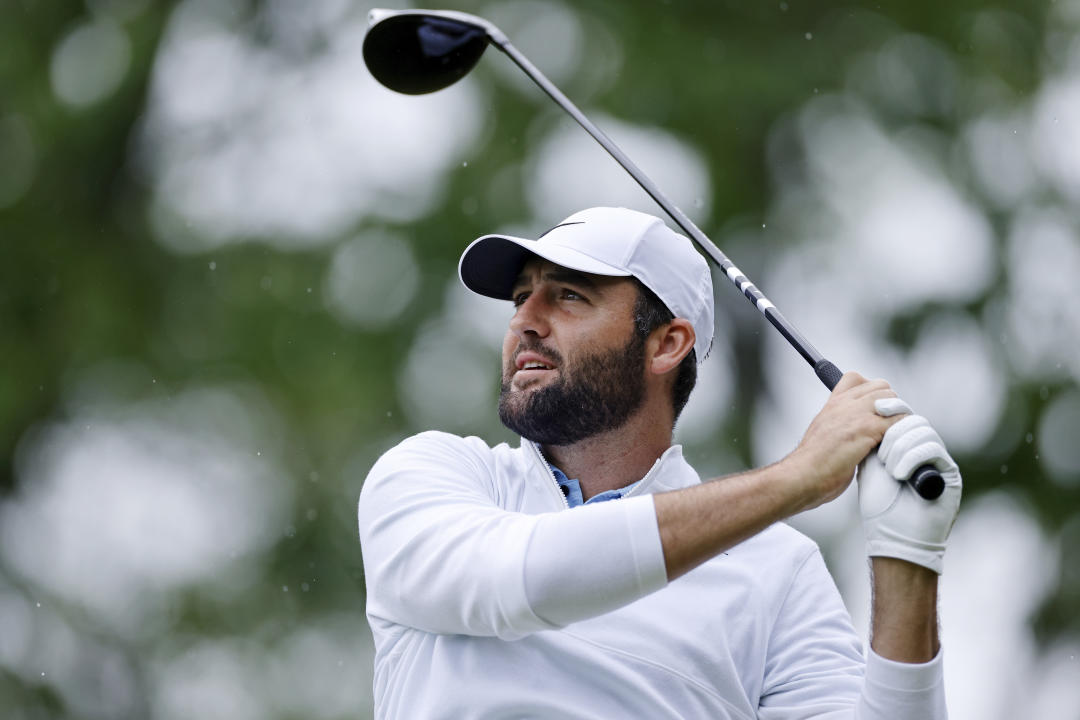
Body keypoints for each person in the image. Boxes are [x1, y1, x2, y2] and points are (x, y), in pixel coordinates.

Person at [358, 206, 962, 719]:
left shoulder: (779, 571)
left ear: (667, 344)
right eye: (521, 297)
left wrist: (907, 557)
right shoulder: (438, 476)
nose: (524, 321)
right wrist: (798, 478)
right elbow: (519, 580)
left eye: (568, 296)